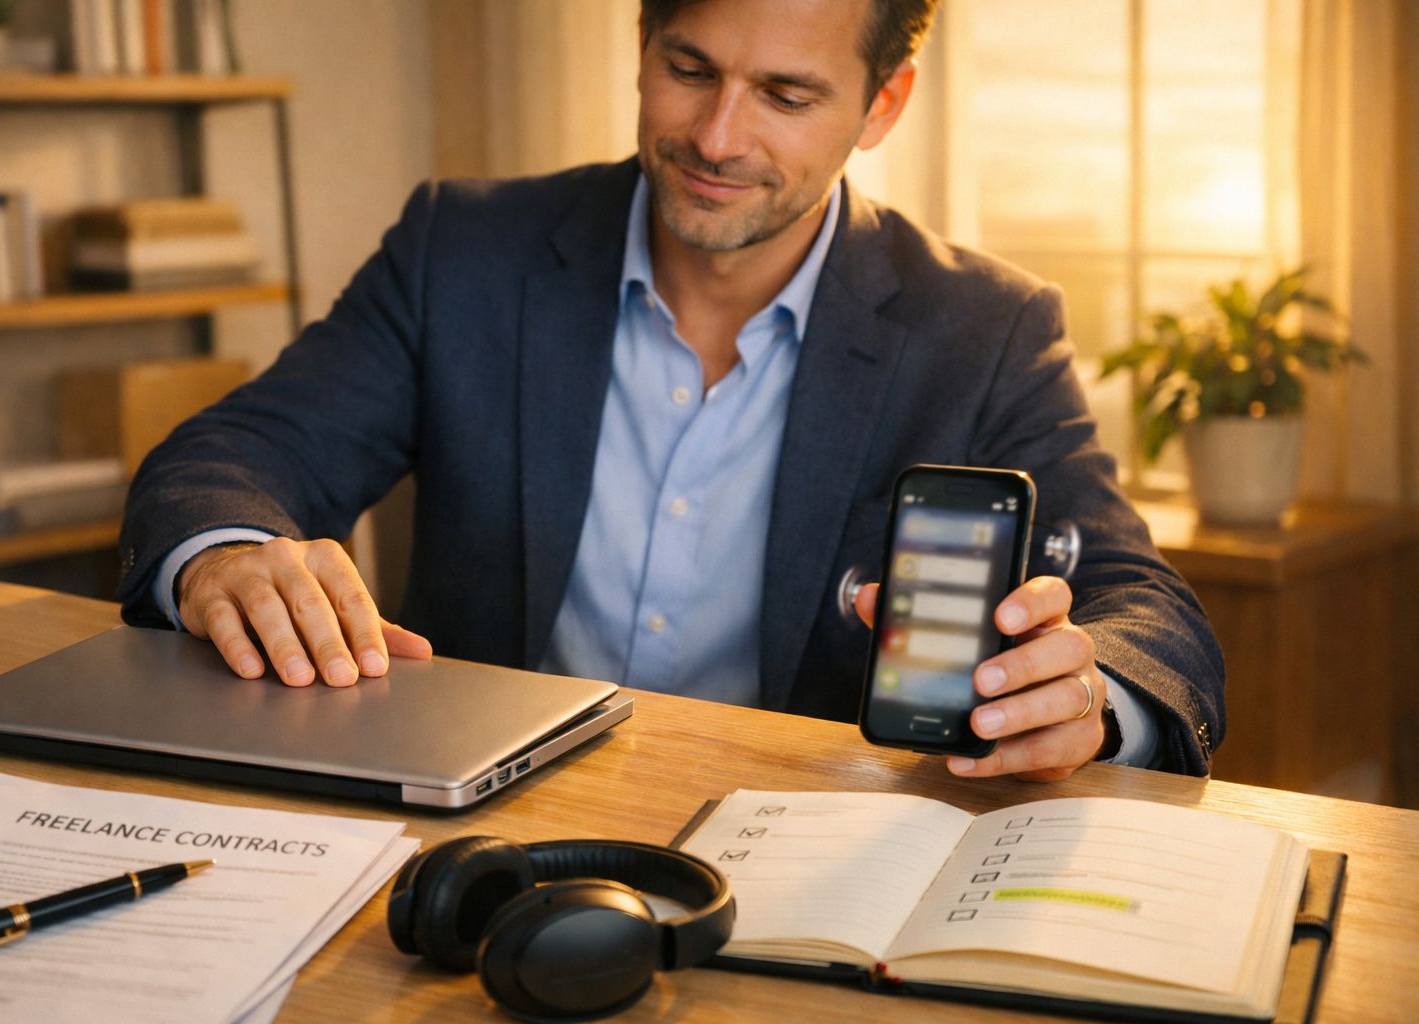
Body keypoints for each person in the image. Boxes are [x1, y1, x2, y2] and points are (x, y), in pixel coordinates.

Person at [118, 0, 1224, 781]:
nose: (716, 136)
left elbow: (1146, 608)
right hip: (476, 835)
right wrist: (225, 554)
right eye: (690, 69)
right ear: (641, 40)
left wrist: (1083, 696)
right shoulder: (465, 248)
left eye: (786, 94)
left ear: (883, 105)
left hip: (798, 863)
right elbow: (237, 456)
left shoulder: (986, 328)